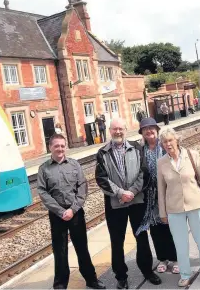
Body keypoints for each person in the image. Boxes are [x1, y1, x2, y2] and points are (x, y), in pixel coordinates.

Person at [95, 117, 161, 289]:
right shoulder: (102, 153)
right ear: (110, 131)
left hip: (137, 202)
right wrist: (120, 193)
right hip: (115, 205)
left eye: (121, 129)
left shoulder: (137, 148)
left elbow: (144, 173)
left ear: (126, 129)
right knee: (117, 242)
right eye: (114, 129)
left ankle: (147, 270)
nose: (118, 132)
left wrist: (132, 191)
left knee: (142, 238)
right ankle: (121, 276)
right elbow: (101, 178)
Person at [37, 134, 106, 290]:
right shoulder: (44, 169)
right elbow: (43, 192)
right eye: (57, 146)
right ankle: (60, 284)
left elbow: (82, 187)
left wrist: (73, 209)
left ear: (65, 147)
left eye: (62, 146)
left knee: (82, 247)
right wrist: (61, 211)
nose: (60, 149)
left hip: (76, 214)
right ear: (50, 148)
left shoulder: (74, 165)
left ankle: (91, 279)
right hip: (57, 215)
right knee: (60, 250)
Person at [157, 126, 200, 288]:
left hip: (197, 205)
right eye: (164, 142)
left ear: (177, 140)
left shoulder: (192, 155)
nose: (168, 144)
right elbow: (161, 190)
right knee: (180, 244)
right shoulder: (161, 162)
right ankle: (185, 274)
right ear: (161, 145)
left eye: (170, 140)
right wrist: (163, 213)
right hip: (174, 210)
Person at [134, 118, 179, 275]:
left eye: (151, 128)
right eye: (145, 129)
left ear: (157, 129)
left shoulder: (164, 145)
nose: (149, 131)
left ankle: (175, 258)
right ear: (142, 133)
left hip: (168, 193)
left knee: (171, 226)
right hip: (149, 197)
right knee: (155, 228)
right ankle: (162, 258)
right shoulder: (140, 150)